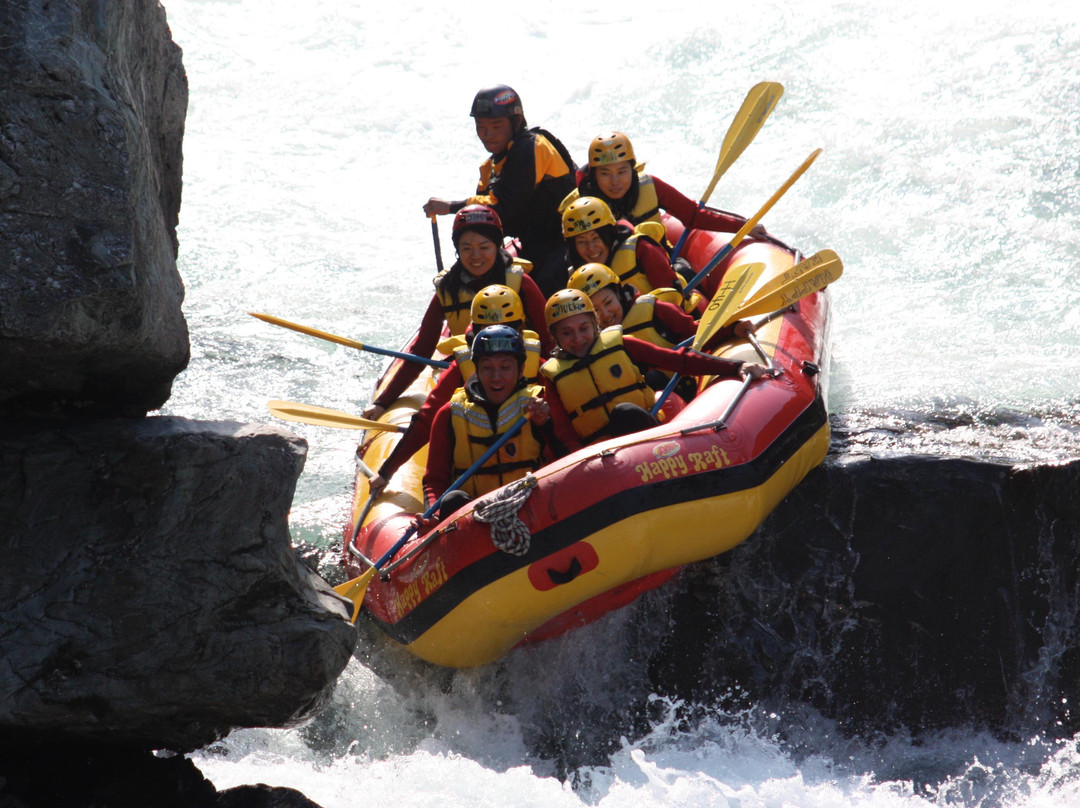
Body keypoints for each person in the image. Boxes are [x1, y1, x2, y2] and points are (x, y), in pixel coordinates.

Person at [362, 204, 551, 420]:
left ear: (498, 246)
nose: (475, 256)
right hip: (468, 380)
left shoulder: (521, 284)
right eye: (466, 248)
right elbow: (421, 352)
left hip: (523, 379)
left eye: (484, 247)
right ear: (457, 250)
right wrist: (382, 403)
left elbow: (548, 341)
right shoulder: (448, 289)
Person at [368, 285, 546, 497]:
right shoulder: (458, 377)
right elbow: (426, 421)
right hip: (476, 494)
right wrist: (387, 471)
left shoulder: (540, 370)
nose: (497, 337)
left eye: (506, 328)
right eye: (487, 330)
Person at [539, 289, 767, 445]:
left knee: (624, 413)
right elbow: (565, 433)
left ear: (595, 325)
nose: (578, 339)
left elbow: (679, 360)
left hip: (647, 443)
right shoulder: (553, 375)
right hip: (601, 459)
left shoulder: (620, 344)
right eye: (567, 333)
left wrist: (736, 366)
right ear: (555, 337)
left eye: (583, 328)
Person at [423, 85, 577, 298]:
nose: (487, 134)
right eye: (481, 126)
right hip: (533, 246)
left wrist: (451, 207)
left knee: (542, 286)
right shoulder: (491, 167)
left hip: (564, 245)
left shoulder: (532, 147)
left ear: (515, 122)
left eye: (496, 126)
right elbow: (485, 224)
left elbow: (502, 208)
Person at [420, 326, 573, 522]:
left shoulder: (539, 404)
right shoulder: (449, 415)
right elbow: (434, 482)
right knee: (452, 500)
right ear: (476, 370)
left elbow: (568, 460)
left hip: (534, 509)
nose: (496, 377)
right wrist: (433, 515)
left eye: (505, 367)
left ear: (520, 370)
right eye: (487, 367)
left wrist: (546, 425)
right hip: (476, 520)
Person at [563, 130, 763, 235]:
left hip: (659, 271)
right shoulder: (580, 205)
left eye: (622, 171)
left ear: (632, 170)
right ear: (594, 176)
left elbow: (693, 215)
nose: (615, 182)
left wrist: (744, 227)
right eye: (605, 174)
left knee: (684, 273)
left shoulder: (650, 187)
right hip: (611, 288)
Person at [562, 196, 697, 308]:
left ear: (608, 235)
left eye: (596, 238)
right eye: (581, 242)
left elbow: (672, 292)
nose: (591, 248)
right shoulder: (575, 277)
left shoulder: (641, 249)